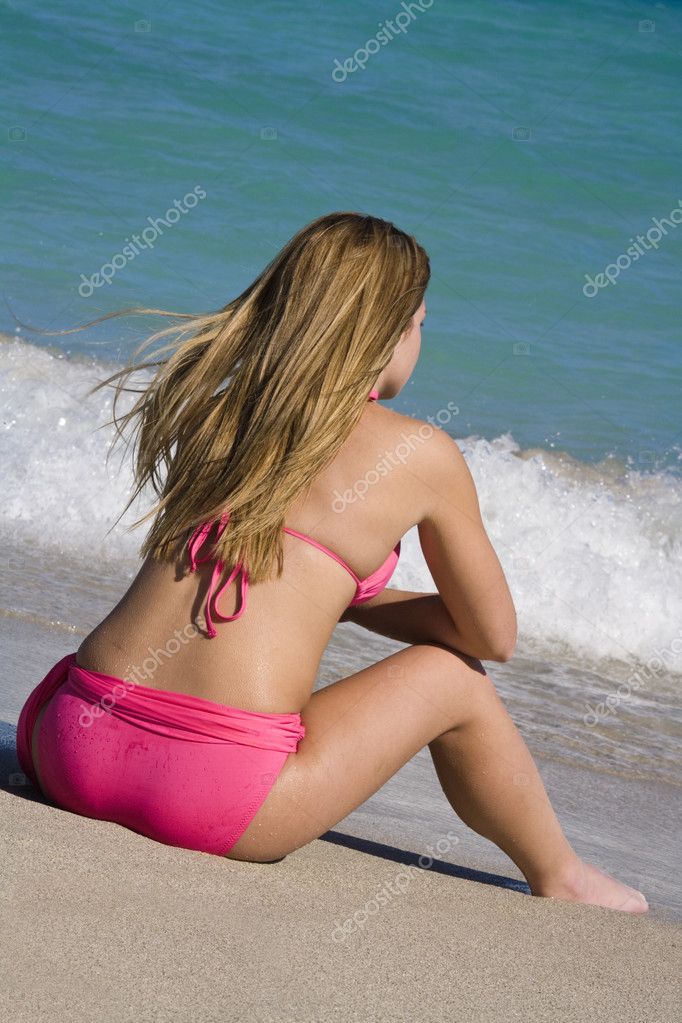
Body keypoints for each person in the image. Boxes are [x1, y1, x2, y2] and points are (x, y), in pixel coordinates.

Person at [16, 211, 647, 913]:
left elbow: (255, 563)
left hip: (70, 745)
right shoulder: (422, 454)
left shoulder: (220, 415)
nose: (420, 340)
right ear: (387, 331)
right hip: (215, 796)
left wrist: (344, 593)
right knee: (453, 679)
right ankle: (558, 872)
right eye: (421, 324)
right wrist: (361, 597)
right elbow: (492, 637)